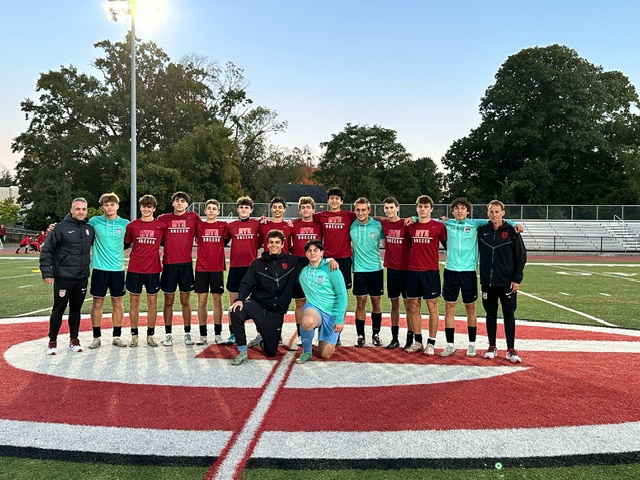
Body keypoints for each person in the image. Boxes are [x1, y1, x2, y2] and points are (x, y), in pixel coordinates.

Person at [439, 198, 520, 357]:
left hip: (469, 272)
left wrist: (514, 223)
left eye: (463, 208)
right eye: (457, 209)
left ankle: (472, 344)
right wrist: (413, 218)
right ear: (453, 211)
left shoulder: (475, 224)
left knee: (470, 307)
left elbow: (497, 218)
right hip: (451, 270)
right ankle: (450, 345)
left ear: (468, 211)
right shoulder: (446, 224)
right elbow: (426, 219)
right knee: (449, 307)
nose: (460, 211)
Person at [228, 230, 310, 365]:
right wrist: (240, 299)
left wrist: (329, 260)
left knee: (271, 352)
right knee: (236, 311)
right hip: (258, 305)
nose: (274, 245)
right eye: (271, 242)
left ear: (283, 244)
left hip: (276, 312)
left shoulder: (293, 261)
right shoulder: (258, 264)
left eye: (277, 242)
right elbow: (246, 283)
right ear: (267, 244)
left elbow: (314, 259)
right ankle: (242, 351)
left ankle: (260, 340)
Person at [39, 198, 95, 355]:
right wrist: (47, 272)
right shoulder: (60, 228)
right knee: (59, 309)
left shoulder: (89, 229)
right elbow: (47, 250)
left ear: (87, 211)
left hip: (82, 277)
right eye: (78, 209)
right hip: (63, 277)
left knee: (76, 310)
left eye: (84, 209)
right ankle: (52, 341)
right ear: (71, 210)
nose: (81, 212)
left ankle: (74, 340)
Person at [478, 200, 527, 363]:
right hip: (487, 282)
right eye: (491, 211)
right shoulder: (482, 230)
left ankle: (511, 349)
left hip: (506, 282)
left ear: (503, 213)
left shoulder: (512, 231)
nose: (494, 214)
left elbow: (521, 256)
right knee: (490, 315)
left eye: (497, 211)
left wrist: (517, 278)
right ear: (488, 213)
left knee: (509, 315)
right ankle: (492, 346)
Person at [157, 191, 202, 346]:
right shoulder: (163, 219)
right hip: (169, 264)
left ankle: (187, 333)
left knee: (185, 300)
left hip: (186, 265)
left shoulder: (194, 218)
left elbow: (206, 228)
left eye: (182, 201)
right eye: (177, 200)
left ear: (186, 204)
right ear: (173, 203)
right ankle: (168, 334)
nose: (180, 203)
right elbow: (157, 237)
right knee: (168, 300)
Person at [405, 195, 447, 355]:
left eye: (425, 207)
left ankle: (431, 342)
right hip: (413, 271)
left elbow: (446, 244)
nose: (423, 209)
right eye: (420, 207)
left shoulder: (439, 227)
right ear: (417, 208)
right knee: (414, 307)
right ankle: (418, 341)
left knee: (432, 307)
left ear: (431, 209)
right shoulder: (410, 226)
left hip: (431, 272)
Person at [87, 192, 130, 349]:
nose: (109, 207)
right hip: (99, 268)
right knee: (97, 302)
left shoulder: (125, 224)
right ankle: (96, 337)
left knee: (117, 302)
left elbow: (134, 239)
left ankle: (117, 336)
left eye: (112, 204)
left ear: (117, 206)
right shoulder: (94, 222)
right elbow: (77, 226)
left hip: (118, 269)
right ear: (102, 207)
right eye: (106, 205)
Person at [124, 194, 166, 347]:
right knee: (134, 302)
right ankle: (134, 335)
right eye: (144, 206)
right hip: (135, 269)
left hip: (153, 269)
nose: (146, 209)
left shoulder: (161, 226)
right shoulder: (132, 226)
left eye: (149, 206)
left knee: (152, 302)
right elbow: (126, 244)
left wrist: (161, 250)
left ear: (154, 208)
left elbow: (165, 243)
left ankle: (150, 334)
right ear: (140, 207)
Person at [296, 239, 348, 363]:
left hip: (332, 313)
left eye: (316, 250)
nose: (312, 253)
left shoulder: (332, 269)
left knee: (325, 354)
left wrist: (340, 320)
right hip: (314, 308)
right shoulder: (303, 272)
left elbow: (343, 296)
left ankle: (322, 335)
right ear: (306, 254)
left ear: (322, 253)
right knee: (307, 321)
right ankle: (307, 352)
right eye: (309, 251)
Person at [224, 196, 262, 345]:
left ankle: (260, 333)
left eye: (247, 207)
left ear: (251, 210)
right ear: (237, 209)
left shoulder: (257, 224)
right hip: (235, 267)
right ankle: (233, 333)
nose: (244, 209)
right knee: (233, 300)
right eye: (241, 207)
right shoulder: (231, 225)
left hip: (251, 268)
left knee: (256, 300)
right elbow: (223, 242)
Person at [350, 197, 384, 347]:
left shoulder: (378, 226)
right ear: (354, 211)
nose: (361, 212)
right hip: (359, 270)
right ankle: (360, 335)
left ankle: (376, 334)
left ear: (369, 210)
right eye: (358, 210)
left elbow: (395, 222)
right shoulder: (350, 226)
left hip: (376, 269)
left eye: (364, 210)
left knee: (376, 302)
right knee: (360, 302)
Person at [194, 199, 229, 345]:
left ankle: (218, 333)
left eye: (214, 208)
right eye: (209, 208)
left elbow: (226, 241)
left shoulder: (223, 226)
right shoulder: (199, 225)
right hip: (201, 268)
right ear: (205, 211)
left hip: (216, 268)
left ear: (218, 211)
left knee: (217, 301)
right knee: (202, 301)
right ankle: (203, 334)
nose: (211, 211)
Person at [380, 196, 412, 349]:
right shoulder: (384, 223)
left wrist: (415, 217)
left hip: (406, 270)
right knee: (394, 304)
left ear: (397, 208)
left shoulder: (406, 223)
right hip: (391, 269)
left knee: (409, 305)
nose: (389, 210)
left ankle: (410, 338)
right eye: (386, 208)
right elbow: (371, 217)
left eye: (391, 207)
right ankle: (394, 338)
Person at [291, 196, 323, 341]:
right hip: (298, 265)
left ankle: (316, 333)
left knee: (317, 300)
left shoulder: (319, 225)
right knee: (299, 301)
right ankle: (300, 334)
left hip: (315, 265)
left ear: (313, 209)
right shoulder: (294, 225)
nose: (305, 210)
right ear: (299, 210)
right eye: (303, 207)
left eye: (308, 207)